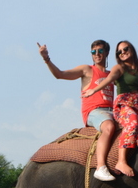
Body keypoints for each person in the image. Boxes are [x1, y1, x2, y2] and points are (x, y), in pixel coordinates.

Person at [82, 16, 138, 177]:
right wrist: (94, 90)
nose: (122, 52)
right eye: (119, 52)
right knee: (132, 123)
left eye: (125, 49)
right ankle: (121, 160)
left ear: (131, 50)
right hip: (124, 106)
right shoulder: (118, 68)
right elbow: (108, 79)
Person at [37, 39, 117, 180]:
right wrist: (46, 58)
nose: (97, 54)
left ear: (107, 53)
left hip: (113, 111)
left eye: (100, 51)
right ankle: (101, 167)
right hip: (95, 111)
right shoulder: (87, 70)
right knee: (109, 127)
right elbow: (60, 75)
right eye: (93, 52)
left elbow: (132, 79)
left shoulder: (112, 74)